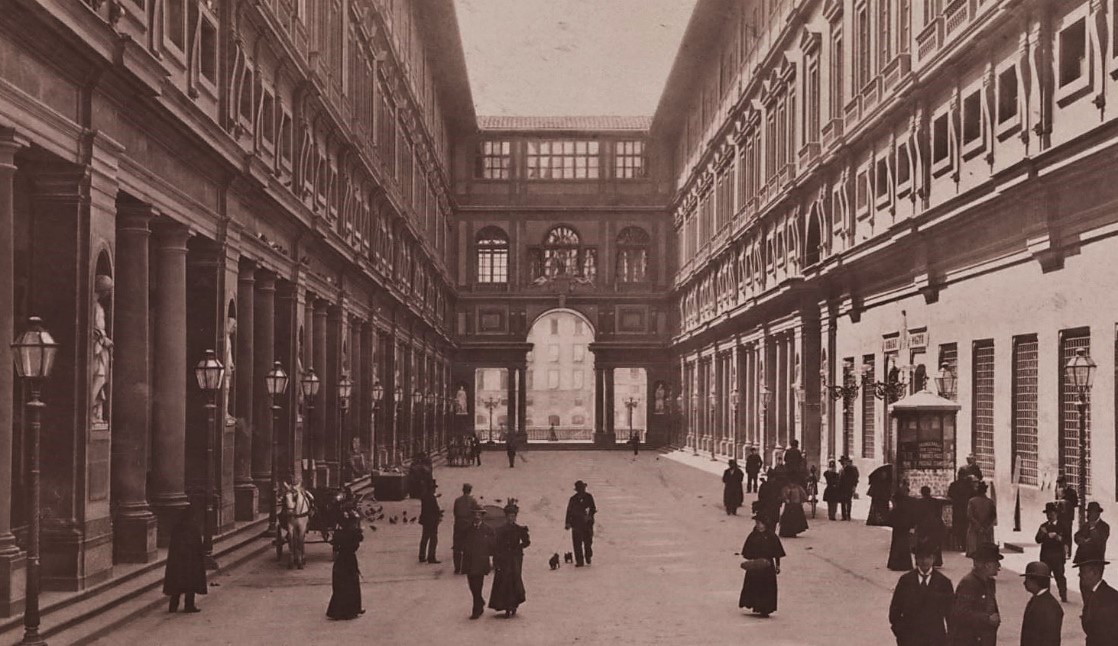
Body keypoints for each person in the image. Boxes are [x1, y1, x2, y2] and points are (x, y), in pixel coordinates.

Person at [888, 541, 954, 646]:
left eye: (928, 557)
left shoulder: (944, 583)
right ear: (916, 559)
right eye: (921, 558)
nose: (924, 561)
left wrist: (949, 639)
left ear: (933, 559)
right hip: (910, 639)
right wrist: (901, 633)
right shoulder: (905, 581)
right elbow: (895, 610)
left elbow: (951, 615)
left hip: (935, 639)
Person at [949, 542, 1003, 646]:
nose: (999, 566)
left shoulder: (990, 582)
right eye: (996, 562)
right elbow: (960, 613)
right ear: (987, 565)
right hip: (970, 640)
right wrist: (987, 619)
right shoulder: (969, 583)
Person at [489, 499, 530, 617]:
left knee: (515, 580)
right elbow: (495, 546)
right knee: (504, 581)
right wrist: (496, 559)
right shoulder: (500, 530)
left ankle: (514, 605)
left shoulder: (519, 529)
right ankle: (506, 606)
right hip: (504, 558)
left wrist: (519, 547)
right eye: (509, 516)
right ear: (506, 517)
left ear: (515, 517)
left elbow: (527, 542)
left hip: (515, 559)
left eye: (513, 516)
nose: (511, 518)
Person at [738, 514, 786, 618]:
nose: (758, 525)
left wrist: (778, 565)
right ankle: (756, 605)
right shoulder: (753, 535)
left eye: (760, 523)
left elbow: (777, 552)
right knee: (755, 587)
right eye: (757, 523)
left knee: (766, 588)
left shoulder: (771, 536)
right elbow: (746, 552)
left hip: (767, 567)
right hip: (756, 567)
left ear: (765, 524)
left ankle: (765, 609)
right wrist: (751, 562)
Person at [163, 509, 206, 613]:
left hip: (178, 561)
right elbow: (198, 547)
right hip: (191, 562)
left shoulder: (177, 528)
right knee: (191, 583)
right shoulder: (193, 528)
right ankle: (189, 605)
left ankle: (173, 606)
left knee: (176, 583)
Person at [326, 512, 364, 620]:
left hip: (340, 560)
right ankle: (351, 610)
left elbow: (335, 546)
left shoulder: (339, 533)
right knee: (352, 583)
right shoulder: (354, 533)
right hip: (350, 560)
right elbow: (357, 544)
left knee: (339, 584)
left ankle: (337, 611)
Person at [463, 505, 495, 619]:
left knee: (478, 585)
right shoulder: (467, 529)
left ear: (482, 516)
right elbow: (462, 544)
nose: (476, 517)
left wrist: (492, 560)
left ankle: (476, 609)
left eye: (479, 514)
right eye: (475, 514)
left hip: (481, 562)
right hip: (469, 561)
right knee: (472, 586)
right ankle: (480, 601)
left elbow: (493, 546)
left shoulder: (488, 530)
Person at [1018, 561, 1062, 646]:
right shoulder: (1038, 600)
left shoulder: (1050, 607)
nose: (1024, 583)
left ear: (1034, 581)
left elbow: (1050, 640)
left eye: (1027, 579)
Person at [1076, 557, 1118, 644]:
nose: (1079, 575)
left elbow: (1109, 633)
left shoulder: (1109, 598)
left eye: (1083, 571)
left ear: (1095, 573)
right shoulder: (1095, 593)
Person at [1036, 502, 1069, 602]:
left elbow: (1067, 540)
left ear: (1056, 514)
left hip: (1057, 556)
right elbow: (1037, 540)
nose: (1049, 516)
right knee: (1045, 577)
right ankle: (1046, 596)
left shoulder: (1062, 526)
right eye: (1048, 514)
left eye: (1052, 514)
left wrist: (1058, 537)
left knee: (1059, 576)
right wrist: (1043, 534)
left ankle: (1063, 594)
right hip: (1045, 556)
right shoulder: (1043, 526)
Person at [565, 480, 597, 567]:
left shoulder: (589, 497)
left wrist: (589, 515)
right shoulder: (573, 499)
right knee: (577, 543)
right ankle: (579, 561)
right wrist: (567, 523)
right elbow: (569, 512)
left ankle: (588, 556)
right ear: (577, 490)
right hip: (576, 524)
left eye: (583, 489)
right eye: (580, 489)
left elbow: (593, 508)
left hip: (587, 524)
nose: (582, 491)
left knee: (588, 542)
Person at [914, 486, 947, 567]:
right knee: (935, 543)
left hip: (923, 525)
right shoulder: (935, 501)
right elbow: (939, 513)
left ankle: (921, 560)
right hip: (935, 524)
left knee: (922, 543)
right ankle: (936, 561)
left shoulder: (919, 502)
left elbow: (917, 515)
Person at [888, 481, 917, 571]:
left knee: (896, 542)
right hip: (904, 523)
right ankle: (904, 564)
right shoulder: (908, 500)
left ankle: (894, 563)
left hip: (898, 523)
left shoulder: (897, 496)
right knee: (904, 543)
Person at [452, 483, 478, 574]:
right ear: (470, 491)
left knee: (457, 547)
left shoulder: (457, 500)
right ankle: (466, 567)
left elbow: (455, 513)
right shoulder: (473, 500)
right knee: (468, 547)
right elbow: (476, 513)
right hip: (468, 526)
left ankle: (457, 567)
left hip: (458, 525)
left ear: (463, 490)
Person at [967, 481, 997, 556]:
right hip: (987, 529)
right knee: (987, 550)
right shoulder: (990, 502)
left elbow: (970, 515)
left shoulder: (972, 501)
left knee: (975, 551)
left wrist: (978, 526)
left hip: (975, 529)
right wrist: (987, 526)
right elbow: (993, 516)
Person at [948, 469, 974, 552]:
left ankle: (957, 544)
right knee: (965, 527)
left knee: (957, 526)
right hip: (966, 508)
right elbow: (972, 495)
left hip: (957, 508)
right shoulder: (969, 485)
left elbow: (950, 495)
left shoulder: (953, 485)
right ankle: (964, 545)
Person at [418, 480, 442, 564]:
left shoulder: (424, 496)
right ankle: (431, 557)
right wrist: (439, 514)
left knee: (424, 538)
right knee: (433, 539)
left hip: (425, 520)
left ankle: (421, 556)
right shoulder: (431, 498)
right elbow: (435, 509)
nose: (435, 490)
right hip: (432, 521)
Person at [1055, 476, 1078, 559]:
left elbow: (1075, 503)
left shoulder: (1072, 492)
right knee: (1060, 534)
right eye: (1058, 483)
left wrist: (1066, 502)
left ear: (1065, 482)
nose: (1059, 484)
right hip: (1060, 517)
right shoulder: (1058, 491)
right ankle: (1062, 552)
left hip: (1068, 518)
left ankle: (1068, 553)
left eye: (1061, 482)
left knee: (1067, 535)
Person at [838, 456, 859, 521]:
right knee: (842, 501)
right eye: (841, 462)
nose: (842, 463)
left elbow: (855, 478)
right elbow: (839, 479)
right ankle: (843, 516)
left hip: (848, 487)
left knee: (848, 501)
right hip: (842, 487)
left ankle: (848, 515)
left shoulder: (851, 469)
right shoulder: (841, 470)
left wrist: (854, 486)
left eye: (843, 462)